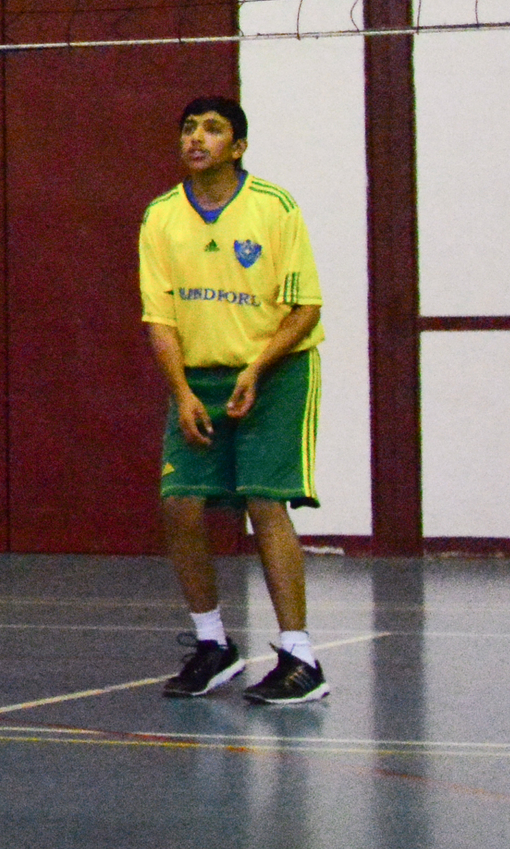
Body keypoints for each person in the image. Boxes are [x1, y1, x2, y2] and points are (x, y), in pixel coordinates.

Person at [140, 95, 329, 707]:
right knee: (181, 507)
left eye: (213, 129)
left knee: (263, 504)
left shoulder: (275, 208)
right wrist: (183, 391)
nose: (197, 138)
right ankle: (213, 644)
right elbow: (160, 318)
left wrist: (256, 368)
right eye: (188, 127)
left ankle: (301, 657)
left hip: (274, 373)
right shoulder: (161, 216)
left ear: (238, 146)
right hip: (198, 379)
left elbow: (306, 308)